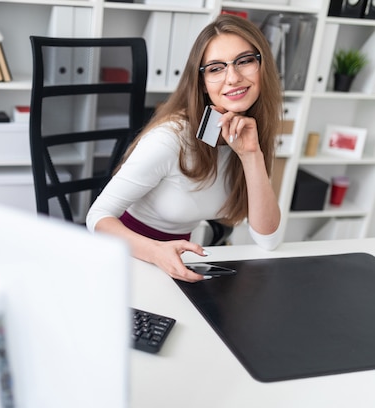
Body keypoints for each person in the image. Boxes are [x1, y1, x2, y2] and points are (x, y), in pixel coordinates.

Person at [86, 14, 283, 282]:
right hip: (128, 258)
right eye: (216, 68)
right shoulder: (170, 139)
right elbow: (98, 217)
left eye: (245, 61)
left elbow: (269, 239)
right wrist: (156, 252)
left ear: (263, 66)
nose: (233, 77)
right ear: (202, 82)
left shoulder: (250, 133)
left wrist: (251, 155)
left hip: (178, 261)